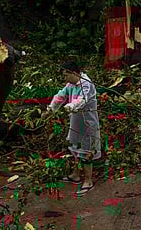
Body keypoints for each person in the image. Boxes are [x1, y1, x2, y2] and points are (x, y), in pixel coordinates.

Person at [41, 61, 101, 195]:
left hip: (87, 124)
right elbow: (60, 96)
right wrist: (51, 109)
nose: (65, 78)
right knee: (74, 149)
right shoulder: (71, 85)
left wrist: (71, 106)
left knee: (87, 152)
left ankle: (88, 180)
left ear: (75, 73)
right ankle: (76, 175)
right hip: (75, 123)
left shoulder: (87, 85)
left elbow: (82, 100)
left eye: (66, 75)